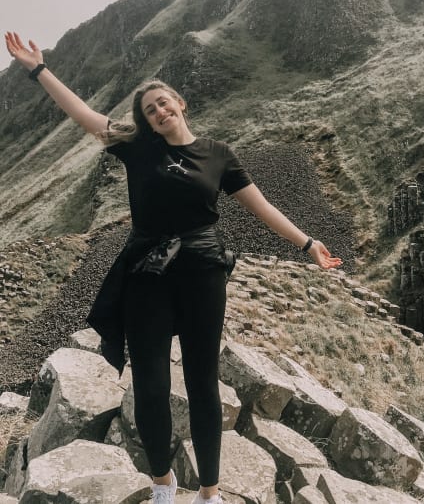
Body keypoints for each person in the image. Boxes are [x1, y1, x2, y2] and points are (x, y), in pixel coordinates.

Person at [4, 32, 342, 504]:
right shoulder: (137, 148)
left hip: (203, 271)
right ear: (147, 121)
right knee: (150, 384)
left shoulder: (219, 154)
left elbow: (259, 205)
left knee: (203, 383)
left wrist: (308, 244)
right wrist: (38, 69)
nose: (160, 113)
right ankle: (163, 484)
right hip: (147, 272)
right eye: (150, 111)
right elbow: (81, 115)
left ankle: (210, 492)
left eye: (164, 104)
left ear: (180, 103)